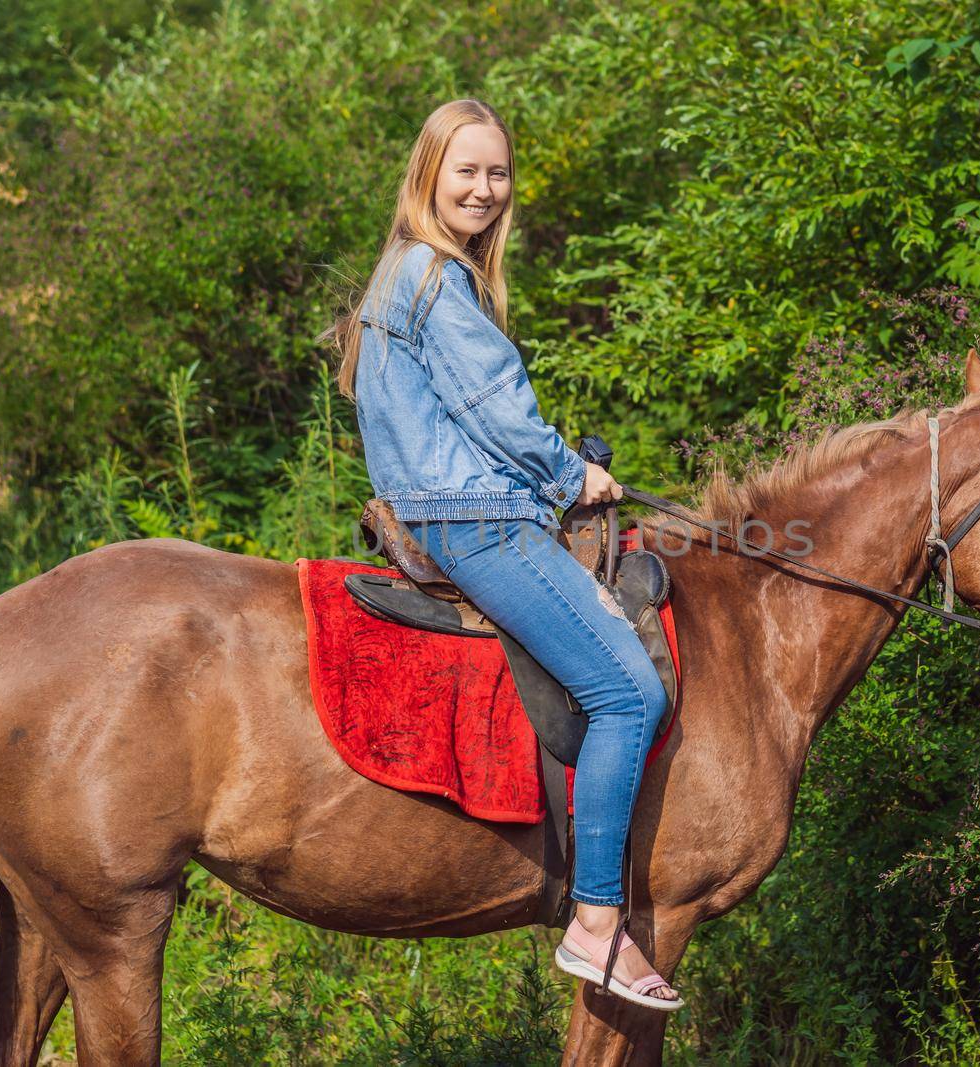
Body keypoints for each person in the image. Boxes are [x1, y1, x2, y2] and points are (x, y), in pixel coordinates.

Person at [329, 98, 680, 1010]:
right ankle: (598, 924)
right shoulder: (435, 279)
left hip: (455, 508)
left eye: (497, 174)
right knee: (629, 690)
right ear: (427, 177)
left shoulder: (402, 274)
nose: (483, 189)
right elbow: (498, 416)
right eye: (466, 171)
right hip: (473, 522)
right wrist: (575, 476)